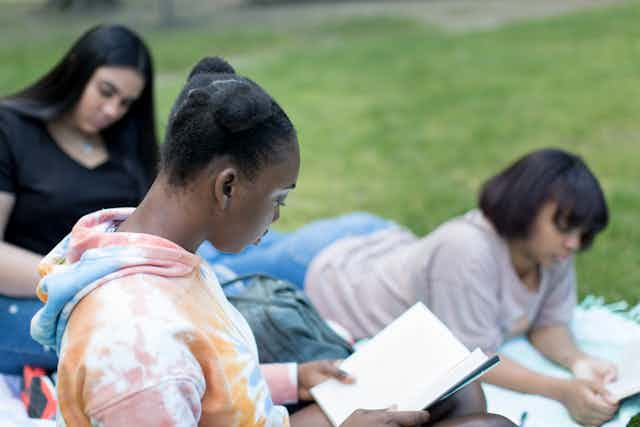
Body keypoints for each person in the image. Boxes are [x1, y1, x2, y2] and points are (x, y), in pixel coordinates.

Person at [29, 57, 514, 427]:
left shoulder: (153, 251)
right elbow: (170, 379)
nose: (278, 215)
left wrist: (292, 379)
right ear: (227, 186)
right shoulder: (140, 349)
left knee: (458, 392)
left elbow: (208, 382)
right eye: (278, 198)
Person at [201, 148, 620, 427]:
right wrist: (561, 390)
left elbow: (549, 325)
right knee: (210, 253)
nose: (574, 244)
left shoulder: (552, 252)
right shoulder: (468, 249)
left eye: (583, 234)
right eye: (565, 229)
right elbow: (474, 356)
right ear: (527, 208)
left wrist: (580, 364)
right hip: (325, 267)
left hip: (378, 242)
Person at [0, 24, 158, 374]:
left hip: (128, 292)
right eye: (105, 91)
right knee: (139, 348)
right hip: (28, 297)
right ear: (76, 68)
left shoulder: (128, 146)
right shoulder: (10, 129)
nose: (112, 110)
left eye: (126, 103)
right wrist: (85, 280)